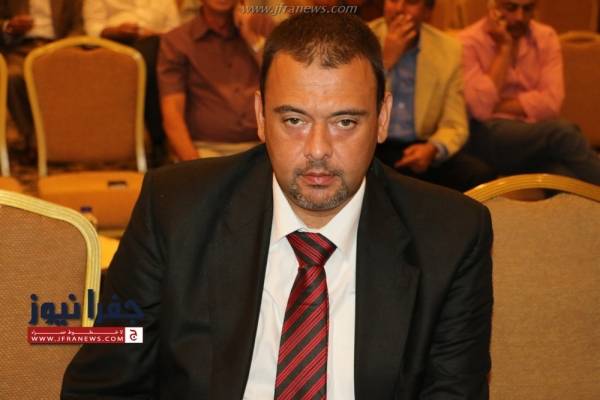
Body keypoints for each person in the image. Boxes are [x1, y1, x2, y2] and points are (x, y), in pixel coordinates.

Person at [62, 13, 493, 399]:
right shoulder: (174, 211)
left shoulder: (450, 237)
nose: (318, 150)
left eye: (345, 122)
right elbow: (103, 385)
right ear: (260, 115)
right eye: (294, 120)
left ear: (382, 119)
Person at [459, 0, 600, 185]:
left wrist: (496, 103)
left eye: (527, 9)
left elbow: (551, 104)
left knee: (564, 177)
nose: (520, 17)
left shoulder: (546, 36)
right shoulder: (467, 41)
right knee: (562, 132)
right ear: (493, 7)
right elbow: (479, 109)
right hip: (488, 133)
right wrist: (504, 50)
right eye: (511, 8)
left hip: (535, 134)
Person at [370, 0, 496, 191]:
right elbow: (349, 99)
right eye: (393, 0)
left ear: (427, 11)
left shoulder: (448, 49)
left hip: (421, 145)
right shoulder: (360, 38)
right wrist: (385, 62)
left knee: (480, 175)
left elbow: (455, 122)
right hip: (373, 145)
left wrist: (433, 148)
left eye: (411, 2)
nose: (399, 9)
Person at [158, 0, 275, 161]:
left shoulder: (263, 27)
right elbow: (172, 114)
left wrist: (254, 41)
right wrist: (195, 165)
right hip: (205, 150)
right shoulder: (177, 41)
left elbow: (285, 82)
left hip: (263, 148)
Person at [83, 0, 182, 167]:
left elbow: (176, 32)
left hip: (158, 47)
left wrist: (156, 34)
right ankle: (159, 140)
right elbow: (92, 31)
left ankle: (158, 141)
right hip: (113, 48)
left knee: (154, 53)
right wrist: (116, 31)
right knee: (152, 63)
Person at [1, 0, 83, 157]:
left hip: (59, 48)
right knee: (12, 77)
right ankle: (32, 138)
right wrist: (9, 27)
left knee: (63, 77)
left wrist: (64, 48)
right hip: (21, 48)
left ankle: (65, 140)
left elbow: (79, 27)